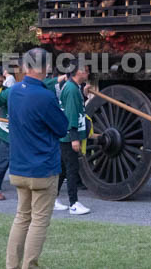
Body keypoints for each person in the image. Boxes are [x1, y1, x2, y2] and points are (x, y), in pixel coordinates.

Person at [6, 48, 69, 269]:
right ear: (46, 68)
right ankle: (29, 265)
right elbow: (62, 128)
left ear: (25, 67)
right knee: (39, 221)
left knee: (22, 217)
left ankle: (12, 265)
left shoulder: (14, 92)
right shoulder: (45, 96)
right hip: (42, 168)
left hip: (19, 167)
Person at [52, 62, 91, 215]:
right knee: (72, 169)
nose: (88, 73)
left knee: (63, 169)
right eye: (86, 71)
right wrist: (74, 138)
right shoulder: (72, 90)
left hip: (66, 136)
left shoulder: (72, 88)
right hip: (69, 137)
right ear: (78, 72)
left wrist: (85, 95)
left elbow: (76, 108)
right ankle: (73, 203)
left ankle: (53, 199)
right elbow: (71, 115)